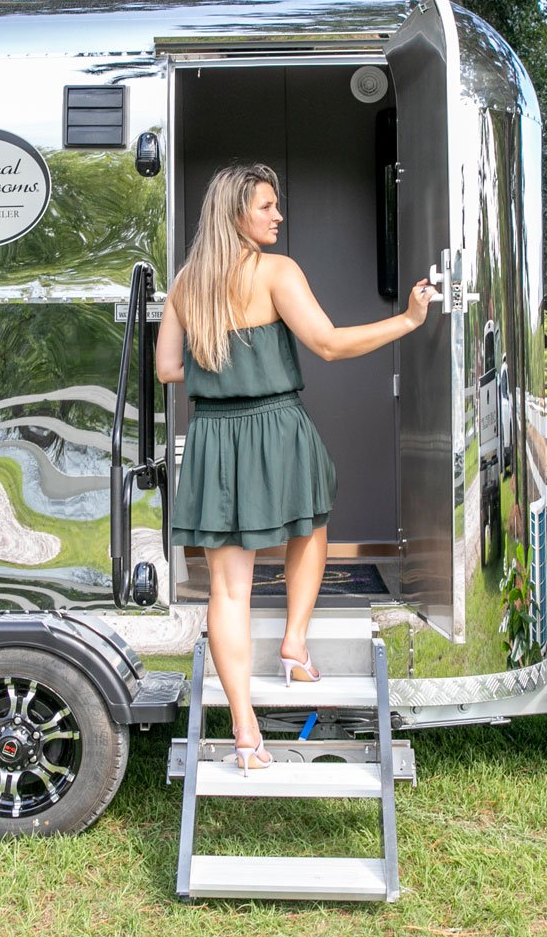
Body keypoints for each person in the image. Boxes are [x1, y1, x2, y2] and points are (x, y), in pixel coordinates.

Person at [156, 164, 433, 773]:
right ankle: (294, 644)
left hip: (213, 437)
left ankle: (246, 733)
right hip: (277, 425)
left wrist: (220, 370)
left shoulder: (185, 284)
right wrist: (409, 320)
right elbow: (330, 344)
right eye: (267, 206)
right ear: (237, 215)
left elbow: (168, 370)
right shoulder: (276, 272)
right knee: (311, 528)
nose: (278, 216)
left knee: (229, 589)